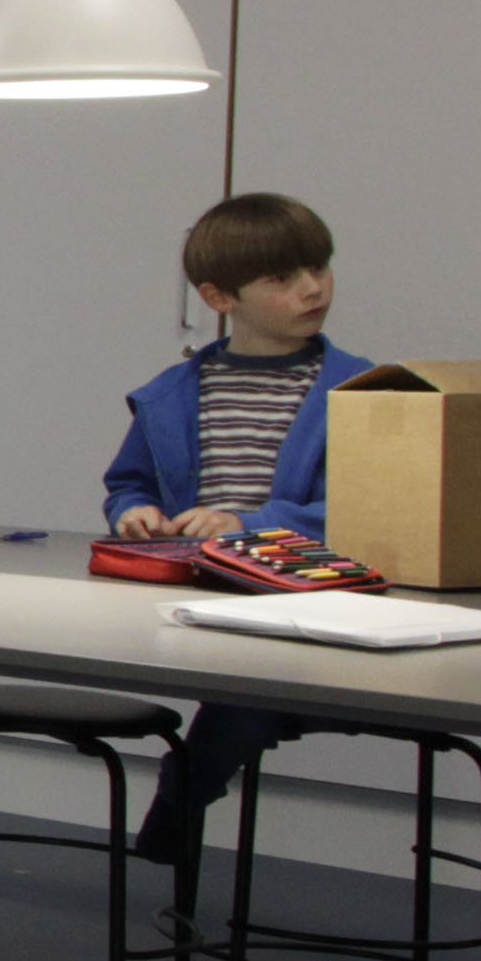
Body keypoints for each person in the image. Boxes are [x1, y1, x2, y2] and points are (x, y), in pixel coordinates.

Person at [101, 192, 374, 885]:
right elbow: (129, 482)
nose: (312, 289)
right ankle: (188, 784)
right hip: (197, 594)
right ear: (219, 297)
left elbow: (372, 510)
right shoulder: (174, 391)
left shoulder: (368, 392)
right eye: (282, 279)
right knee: (243, 686)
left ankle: (184, 791)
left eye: (317, 268)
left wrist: (249, 523)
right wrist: (133, 513)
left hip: (310, 596)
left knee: (251, 688)